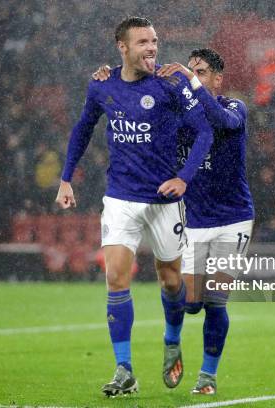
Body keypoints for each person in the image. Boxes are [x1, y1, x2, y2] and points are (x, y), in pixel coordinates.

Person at [56, 17, 214, 397]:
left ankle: (172, 339)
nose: (152, 48)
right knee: (115, 278)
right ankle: (124, 369)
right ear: (121, 47)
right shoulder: (102, 84)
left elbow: (205, 131)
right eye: (143, 41)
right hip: (121, 198)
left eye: (155, 41)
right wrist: (66, 177)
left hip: (165, 201)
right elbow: (83, 128)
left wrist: (184, 178)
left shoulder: (171, 82)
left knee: (171, 280)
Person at [93, 48, 254, 395]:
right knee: (190, 301)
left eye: (201, 71)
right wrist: (114, 77)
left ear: (217, 79)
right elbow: (144, 113)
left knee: (215, 299)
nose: (193, 75)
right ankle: (173, 339)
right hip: (193, 220)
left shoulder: (233, 108)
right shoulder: (183, 116)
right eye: (191, 69)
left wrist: (189, 81)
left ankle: (207, 377)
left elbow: (221, 123)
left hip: (233, 219)